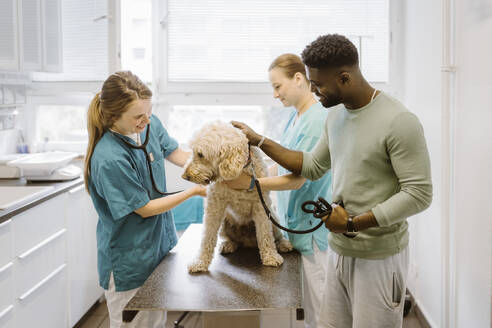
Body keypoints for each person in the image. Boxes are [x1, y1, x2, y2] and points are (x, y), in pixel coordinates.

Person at [232, 34, 432, 328]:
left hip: (378, 257)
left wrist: (353, 223)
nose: (314, 91)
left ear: (344, 77)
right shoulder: (336, 115)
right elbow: (312, 165)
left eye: (318, 84)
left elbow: (419, 193)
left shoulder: (399, 121)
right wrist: (260, 140)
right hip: (339, 249)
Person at [84, 71, 206, 328]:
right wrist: (194, 190)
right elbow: (145, 209)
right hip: (130, 258)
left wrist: (207, 170)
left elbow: (175, 153)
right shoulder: (109, 158)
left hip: (157, 249)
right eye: (138, 116)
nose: (147, 119)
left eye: (149, 112)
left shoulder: (148, 123)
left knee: (156, 322)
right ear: (114, 116)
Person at [228, 53, 332, 328]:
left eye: (278, 86)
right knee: (308, 312)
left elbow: (298, 178)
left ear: (299, 79)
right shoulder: (296, 117)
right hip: (296, 225)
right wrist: (251, 175)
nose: (275, 95)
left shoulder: (314, 121)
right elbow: (282, 166)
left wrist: (251, 185)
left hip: (312, 230)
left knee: (322, 315)